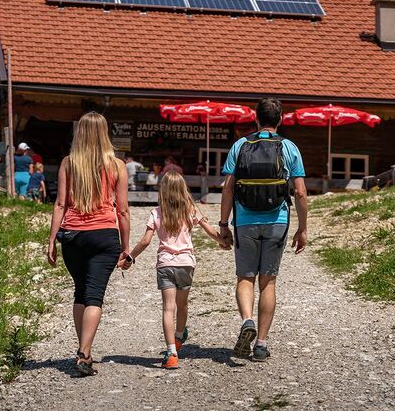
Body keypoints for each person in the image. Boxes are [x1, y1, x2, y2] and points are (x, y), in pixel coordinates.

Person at [218, 98, 308, 362]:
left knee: (245, 278)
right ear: (280, 120)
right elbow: (300, 192)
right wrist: (302, 229)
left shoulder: (240, 145)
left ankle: (247, 320)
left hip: (244, 221)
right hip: (276, 221)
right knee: (268, 281)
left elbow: (228, 188)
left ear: (255, 119)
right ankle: (261, 344)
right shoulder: (290, 147)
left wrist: (223, 225)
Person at [46, 112, 131, 377]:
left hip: (72, 235)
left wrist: (51, 240)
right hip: (104, 235)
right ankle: (84, 353)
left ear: (79, 133)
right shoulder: (117, 165)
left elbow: (61, 203)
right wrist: (126, 247)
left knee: (80, 292)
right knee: (95, 295)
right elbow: (124, 210)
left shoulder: (69, 163)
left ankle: (84, 350)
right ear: (105, 133)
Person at [123, 172, 228, 369]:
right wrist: (222, 241)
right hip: (185, 264)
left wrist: (130, 257)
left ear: (163, 190)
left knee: (167, 308)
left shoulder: (156, 212)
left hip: (165, 264)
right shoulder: (191, 209)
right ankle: (179, 335)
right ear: (182, 189)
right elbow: (208, 229)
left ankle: (171, 353)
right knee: (183, 304)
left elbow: (146, 241)